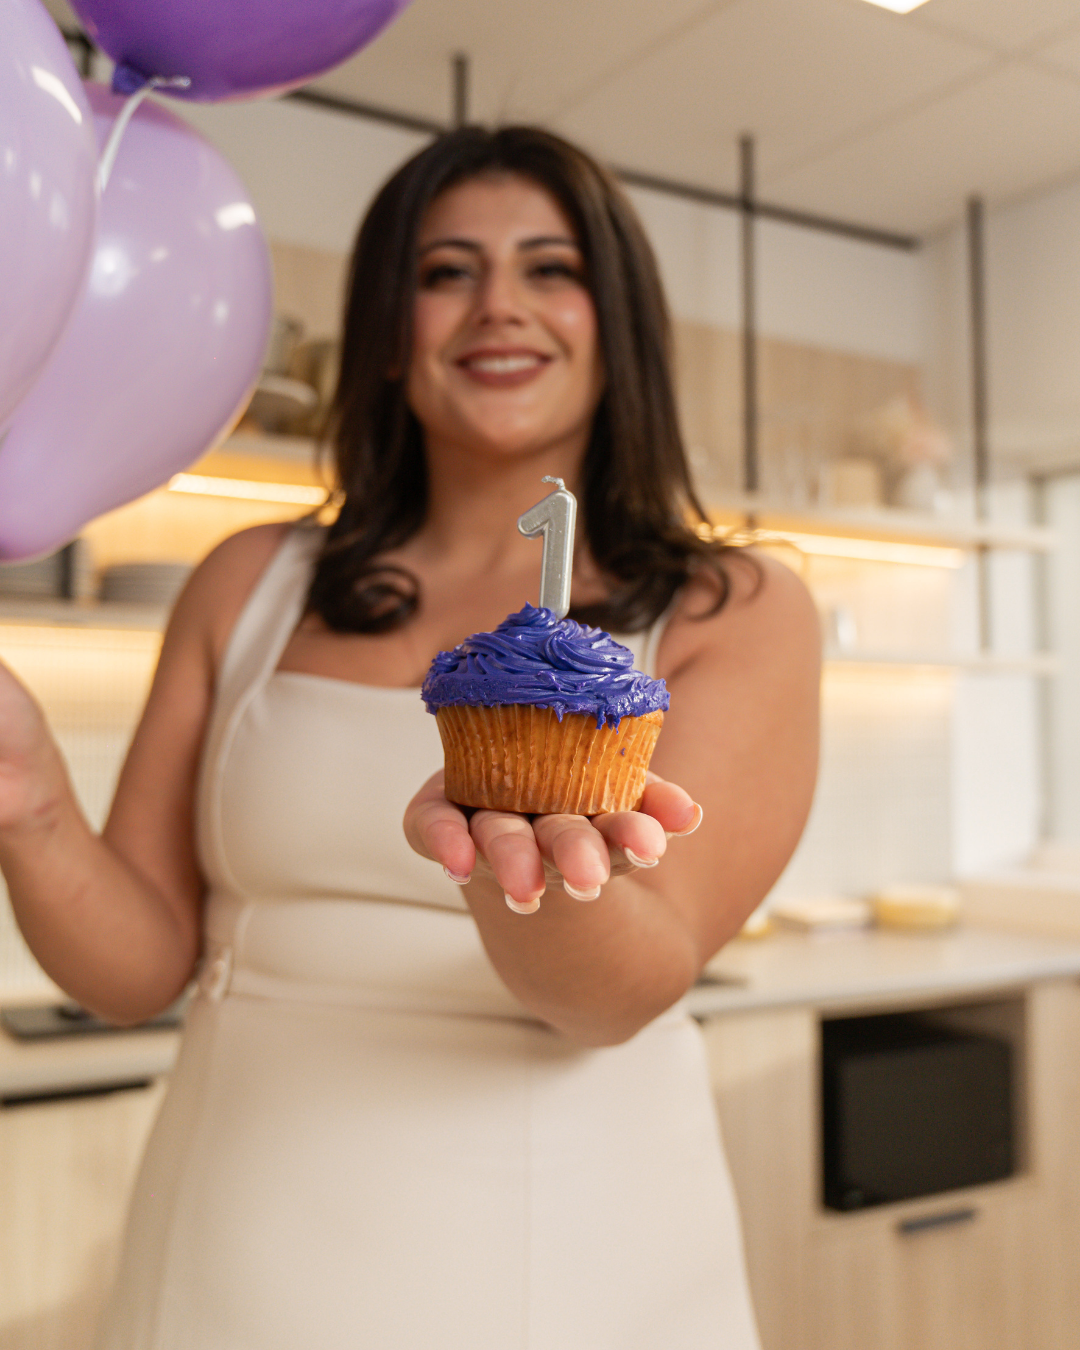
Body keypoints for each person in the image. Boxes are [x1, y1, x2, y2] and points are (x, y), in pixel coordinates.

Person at [0, 126, 820, 1349]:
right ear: (388, 331)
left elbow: (620, 995)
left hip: (567, 1250)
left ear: (617, 322)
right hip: (237, 1231)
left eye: (551, 269)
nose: (498, 306)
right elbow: (138, 969)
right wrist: (30, 799)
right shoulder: (250, 580)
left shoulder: (733, 608)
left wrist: (517, 849)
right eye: (446, 271)